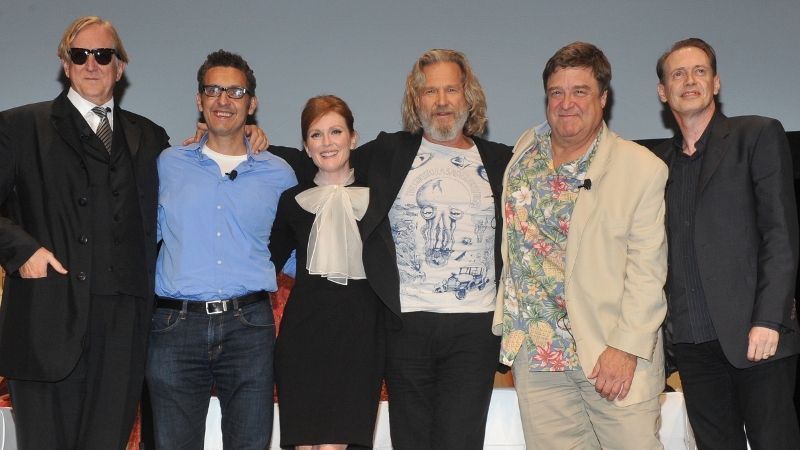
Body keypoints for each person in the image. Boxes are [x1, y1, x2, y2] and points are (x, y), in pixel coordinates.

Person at [270, 49, 512, 450]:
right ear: (416, 101)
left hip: (474, 330)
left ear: (468, 96)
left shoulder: (500, 159)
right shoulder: (388, 154)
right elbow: (326, 156)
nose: (441, 100)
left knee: (461, 441)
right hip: (406, 327)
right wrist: (241, 139)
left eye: (451, 88)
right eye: (430, 90)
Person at [0, 16, 169, 449]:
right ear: (65, 63)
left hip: (123, 326)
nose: (91, 63)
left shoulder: (150, 137)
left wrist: (250, 139)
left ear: (120, 65)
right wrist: (23, 251)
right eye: (80, 54)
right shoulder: (19, 127)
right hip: (45, 320)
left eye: (103, 55)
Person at [494, 42, 668, 449]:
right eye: (557, 92)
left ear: (603, 98)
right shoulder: (523, 153)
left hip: (609, 357)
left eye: (580, 91)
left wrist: (625, 348)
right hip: (538, 358)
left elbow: (648, 270)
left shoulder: (640, 167)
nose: (566, 103)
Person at [144, 50, 296, 449]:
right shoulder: (168, 163)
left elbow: (300, 249)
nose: (223, 100)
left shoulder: (279, 173)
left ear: (252, 103)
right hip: (174, 327)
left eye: (235, 91)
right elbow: (141, 237)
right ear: (199, 100)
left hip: (250, 326)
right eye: (213, 89)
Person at [653, 38, 800, 449]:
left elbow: (780, 234)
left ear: (716, 83)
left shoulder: (756, 135)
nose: (689, 80)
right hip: (692, 345)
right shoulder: (657, 165)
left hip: (756, 337)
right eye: (677, 74)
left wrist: (769, 319)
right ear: (663, 91)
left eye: (699, 71)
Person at [269, 95, 388, 450]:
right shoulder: (292, 200)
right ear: (306, 147)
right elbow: (267, 260)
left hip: (361, 334)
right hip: (303, 336)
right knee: (303, 443)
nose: (327, 142)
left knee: (340, 443)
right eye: (316, 134)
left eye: (335, 131)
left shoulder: (380, 198)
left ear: (353, 138)